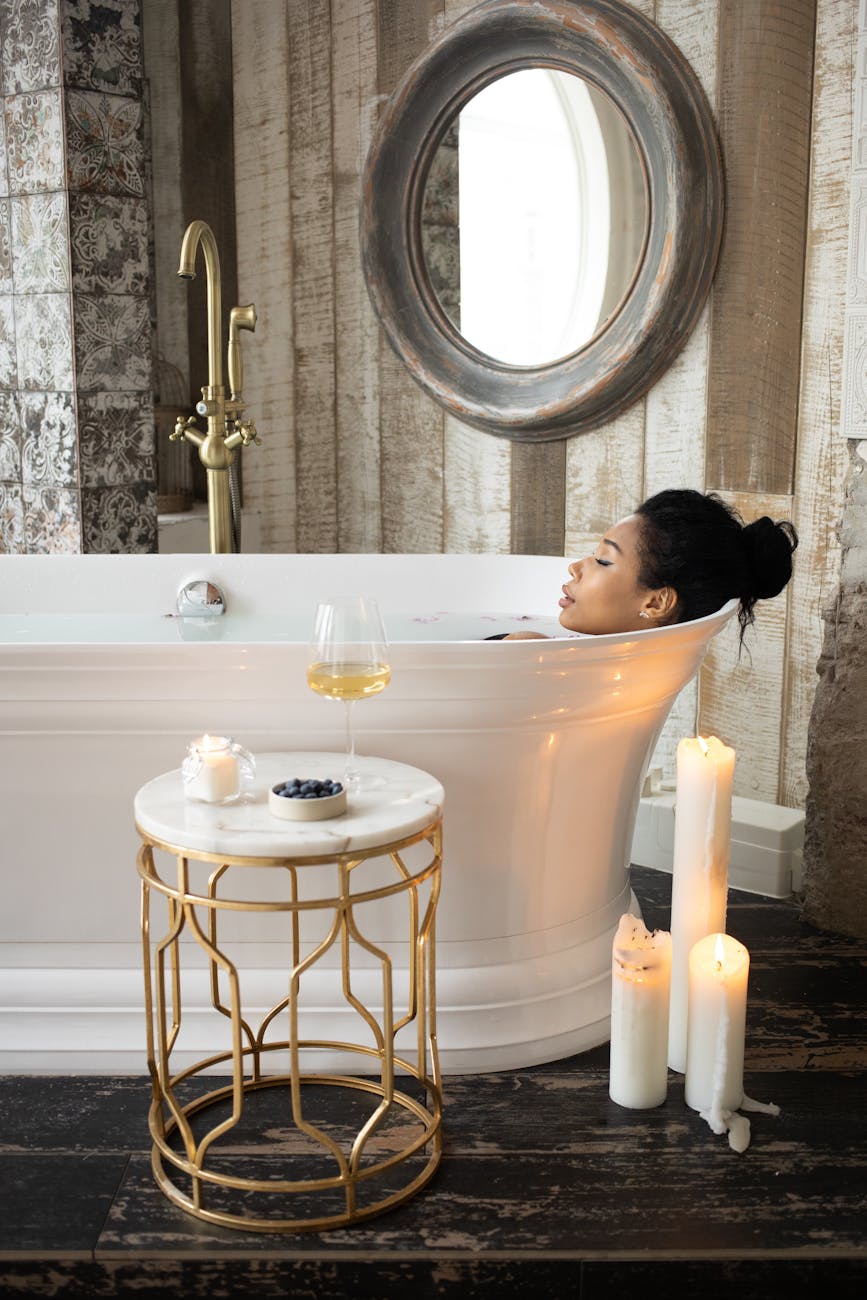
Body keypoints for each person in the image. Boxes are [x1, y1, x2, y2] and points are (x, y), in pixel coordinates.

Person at [489, 489, 798, 644]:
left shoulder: (531, 655)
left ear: (656, 601)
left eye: (603, 560)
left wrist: (528, 655)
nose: (575, 568)